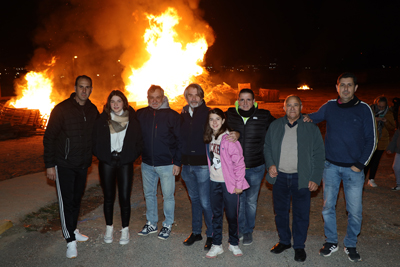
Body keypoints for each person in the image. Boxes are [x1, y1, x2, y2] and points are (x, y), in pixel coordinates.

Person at [304, 72, 376, 262]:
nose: (345, 88)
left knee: (354, 210)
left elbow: (371, 140)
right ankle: (331, 241)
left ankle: (350, 244)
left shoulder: (364, 109)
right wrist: (292, 118)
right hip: (330, 167)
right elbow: (312, 118)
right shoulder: (329, 106)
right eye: (342, 85)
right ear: (337, 87)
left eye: (349, 85)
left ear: (355, 88)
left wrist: (360, 165)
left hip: (354, 169)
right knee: (328, 207)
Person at [43, 75, 99, 258]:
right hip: (64, 164)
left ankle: (73, 230)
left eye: (87, 87)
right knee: (66, 202)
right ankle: (70, 241)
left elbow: (99, 133)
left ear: (91, 89)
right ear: (75, 88)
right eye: (81, 87)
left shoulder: (92, 110)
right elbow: (49, 137)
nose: (84, 90)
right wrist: (50, 165)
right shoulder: (61, 109)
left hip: (82, 164)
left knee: (76, 200)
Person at [264, 95, 325, 262]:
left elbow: (319, 155)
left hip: (302, 178)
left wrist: (315, 177)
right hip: (280, 178)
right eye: (288, 105)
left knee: (301, 214)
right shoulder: (275, 125)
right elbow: (267, 147)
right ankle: (284, 241)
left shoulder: (311, 128)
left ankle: (299, 246)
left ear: (301, 106)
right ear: (283, 108)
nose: (292, 108)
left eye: (295, 105)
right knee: (281, 213)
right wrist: (270, 165)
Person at [92, 90, 142, 245]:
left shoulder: (132, 119)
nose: (115, 104)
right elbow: (94, 140)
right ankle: (109, 228)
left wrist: (131, 156)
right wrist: (102, 155)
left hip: (125, 161)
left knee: (124, 197)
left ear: (124, 103)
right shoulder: (102, 119)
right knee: (108, 197)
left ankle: (125, 230)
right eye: (112, 101)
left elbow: (139, 141)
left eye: (118, 101)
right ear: (108, 104)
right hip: (107, 161)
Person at [226, 88, 275, 245]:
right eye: (242, 99)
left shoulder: (264, 115)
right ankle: (239, 230)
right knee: (239, 202)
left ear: (254, 101)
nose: (245, 103)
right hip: (235, 169)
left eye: (249, 100)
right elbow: (214, 124)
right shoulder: (230, 114)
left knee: (251, 202)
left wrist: (303, 119)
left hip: (256, 167)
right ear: (237, 101)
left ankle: (248, 231)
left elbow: (280, 126)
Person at [136, 85, 181, 240]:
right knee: (149, 194)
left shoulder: (173, 116)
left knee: (168, 196)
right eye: (151, 97)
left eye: (158, 97)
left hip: (167, 164)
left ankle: (168, 224)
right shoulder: (141, 114)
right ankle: (152, 223)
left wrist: (178, 162)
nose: (154, 100)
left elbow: (180, 141)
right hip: (147, 164)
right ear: (147, 98)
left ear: (163, 98)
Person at [203, 108, 250, 258]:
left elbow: (239, 163)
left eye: (217, 119)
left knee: (232, 215)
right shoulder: (209, 138)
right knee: (216, 215)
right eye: (211, 119)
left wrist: (239, 184)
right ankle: (217, 244)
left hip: (228, 183)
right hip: (214, 182)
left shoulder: (229, 139)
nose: (214, 122)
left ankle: (233, 243)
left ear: (223, 121)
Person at [180, 83, 213, 250]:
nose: (193, 98)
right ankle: (196, 232)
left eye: (196, 95)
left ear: (201, 96)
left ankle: (212, 234)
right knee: (194, 200)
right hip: (187, 165)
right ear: (186, 97)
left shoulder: (208, 113)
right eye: (190, 95)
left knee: (206, 202)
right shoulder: (183, 113)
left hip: (202, 165)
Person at [364, 96, 395, 187]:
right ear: (376, 104)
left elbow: (392, 127)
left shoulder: (388, 112)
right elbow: (363, 123)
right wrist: (374, 120)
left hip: (382, 140)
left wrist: (385, 122)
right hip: (370, 140)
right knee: (368, 161)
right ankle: (362, 178)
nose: (381, 108)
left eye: (383, 107)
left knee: (376, 160)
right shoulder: (370, 110)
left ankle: (371, 179)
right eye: (379, 106)